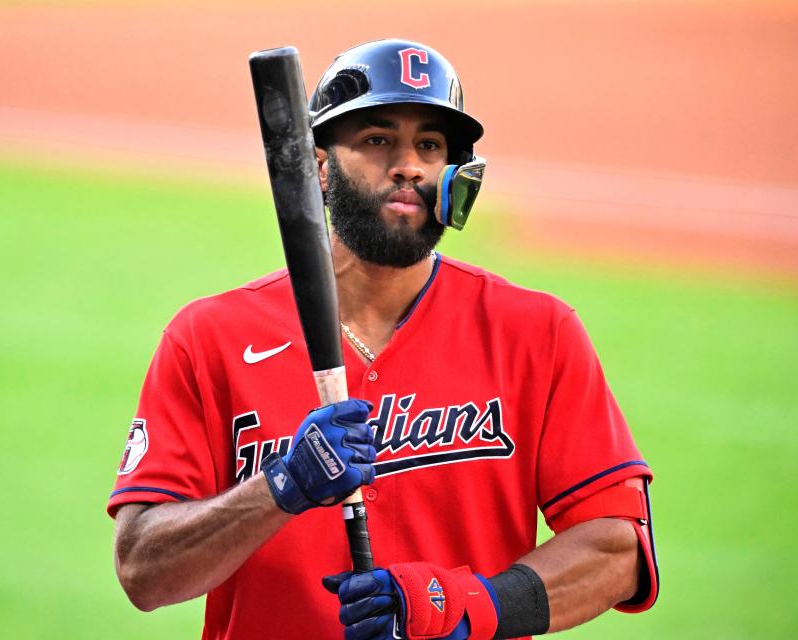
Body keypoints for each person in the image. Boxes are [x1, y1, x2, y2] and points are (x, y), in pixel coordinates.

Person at [108, 39, 658, 640]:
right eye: (377, 141)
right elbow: (143, 568)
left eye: (429, 145)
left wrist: (467, 605)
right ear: (318, 165)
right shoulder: (210, 337)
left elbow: (618, 551)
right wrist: (278, 488)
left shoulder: (536, 333)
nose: (409, 165)